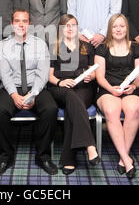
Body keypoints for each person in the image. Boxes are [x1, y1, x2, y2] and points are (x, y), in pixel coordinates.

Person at [0, 9, 58, 176]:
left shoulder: (40, 44)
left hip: (35, 86)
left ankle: (43, 156)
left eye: (25, 21)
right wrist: (14, 95)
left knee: (50, 109)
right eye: (17, 21)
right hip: (11, 87)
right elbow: (4, 74)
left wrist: (33, 94)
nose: (21, 24)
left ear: (29, 24)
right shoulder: (2, 46)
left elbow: (43, 73)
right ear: (12, 24)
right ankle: (5, 156)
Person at [95, 14, 139, 180]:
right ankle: (126, 159)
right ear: (110, 29)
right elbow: (100, 77)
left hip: (131, 89)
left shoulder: (136, 48)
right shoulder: (102, 48)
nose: (118, 29)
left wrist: (134, 86)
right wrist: (112, 89)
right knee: (111, 111)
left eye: (122, 26)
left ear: (127, 28)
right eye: (115, 26)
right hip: (108, 88)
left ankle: (124, 159)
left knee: (132, 109)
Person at [48, 14, 99, 175]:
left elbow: (95, 71)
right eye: (66, 25)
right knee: (71, 97)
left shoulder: (87, 47)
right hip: (60, 87)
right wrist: (60, 82)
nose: (70, 28)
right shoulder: (53, 47)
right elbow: (49, 76)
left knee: (73, 106)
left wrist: (92, 76)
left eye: (73, 25)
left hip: (84, 87)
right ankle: (90, 145)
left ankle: (69, 159)